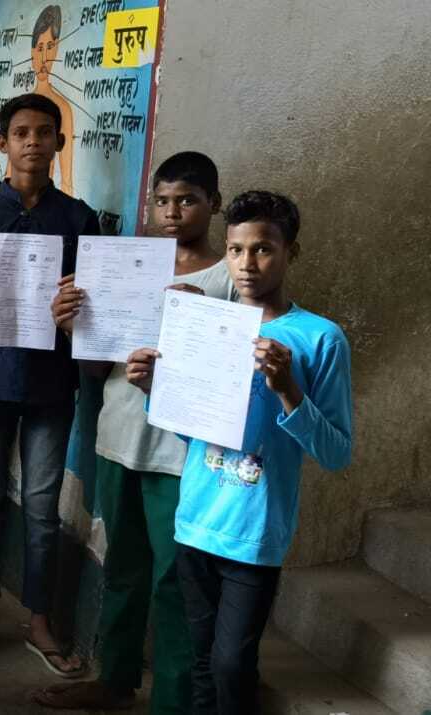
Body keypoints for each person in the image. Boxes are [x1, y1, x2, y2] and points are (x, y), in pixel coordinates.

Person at [124, 191, 353, 714]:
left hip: (253, 533)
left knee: (232, 663)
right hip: (195, 521)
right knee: (202, 661)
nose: (247, 263)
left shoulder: (320, 339)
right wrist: (153, 388)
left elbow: (337, 453)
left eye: (263, 249)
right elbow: (194, 431)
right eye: (235, 250)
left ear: (291, 252)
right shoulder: (210, 325)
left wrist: (288, 389)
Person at [34, 151, 235, 712]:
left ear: (214, 204)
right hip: (119, 437)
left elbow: (230, 378)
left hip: (182, 455)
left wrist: (200, 320)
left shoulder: (228, 277)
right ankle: (114, 677)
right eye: (162, 200)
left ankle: (172, 697)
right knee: (121, 567)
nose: (172, 213)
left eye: (188, 200)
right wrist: (73, 326)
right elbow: (98, 369)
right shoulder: (128, 268)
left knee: (175, 579)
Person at [0, 94, 97, 677]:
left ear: (59, 143)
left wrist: (78, 307)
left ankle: (38, 619)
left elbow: (95, 308)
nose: (33, 142)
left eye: (44, 132)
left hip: (51, 383)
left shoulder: (78, 220)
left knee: (40, 507)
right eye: (22, 132)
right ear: (3, 143)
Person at [28, 5, 76, 195]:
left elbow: (66, 181)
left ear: (56, 50)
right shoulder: (19, 109)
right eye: (40, 48)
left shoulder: (62, 108)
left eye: (50, 47)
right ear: (32, 53)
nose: (44, 57)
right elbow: (9, 172)